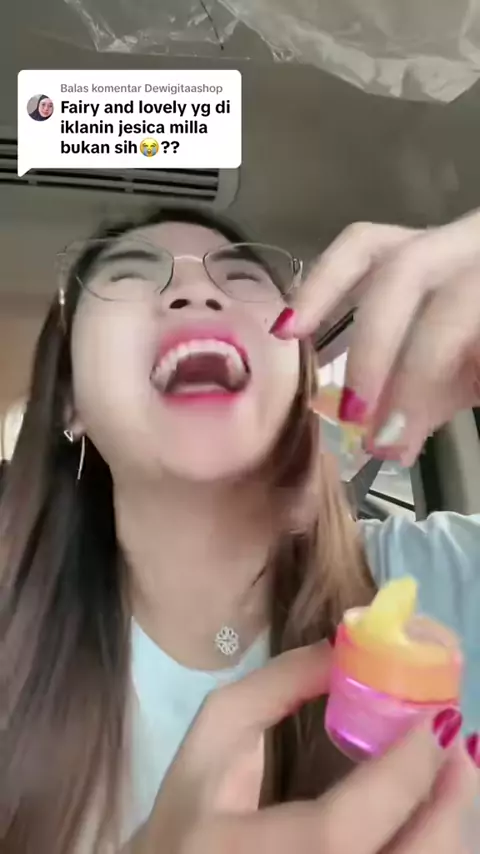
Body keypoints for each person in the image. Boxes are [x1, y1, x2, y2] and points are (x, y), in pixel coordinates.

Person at [2, 206, 479, 854]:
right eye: (131, 274)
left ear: (300, 373)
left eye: (242, 276)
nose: (195, 291)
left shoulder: (451, 577)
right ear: (69, 400)